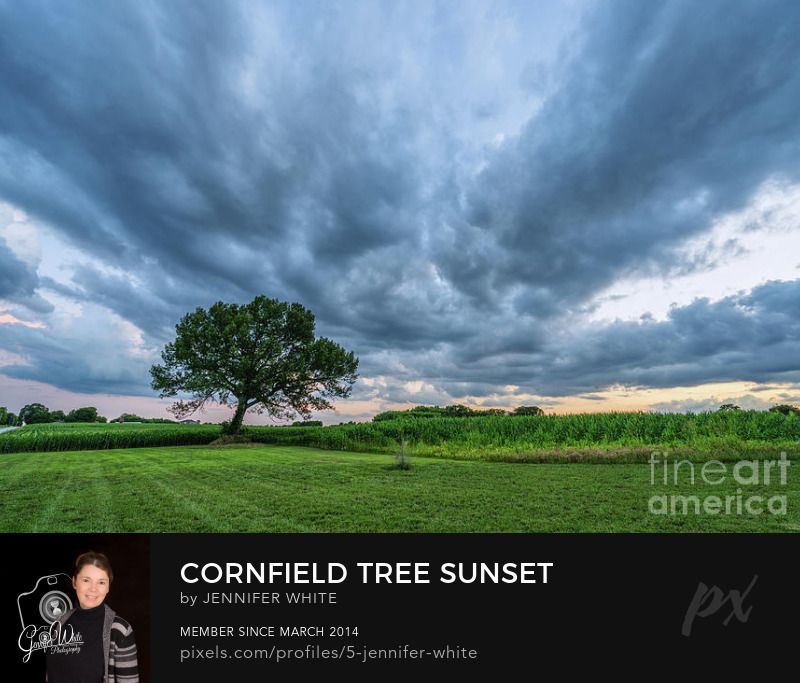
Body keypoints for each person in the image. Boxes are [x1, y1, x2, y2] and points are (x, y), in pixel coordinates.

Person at [46, 551, 139, 682]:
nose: (93, 589)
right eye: (86, 580)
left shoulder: (120, 630)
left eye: (101, 582)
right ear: (74, 582)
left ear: (108, 588)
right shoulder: (60, 622)